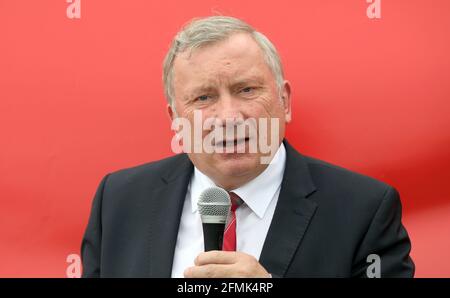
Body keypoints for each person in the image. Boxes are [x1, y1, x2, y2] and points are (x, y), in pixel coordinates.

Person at [81, 16, 414, 278]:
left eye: (246, 90)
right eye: (203, 97)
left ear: (284, 101)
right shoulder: (119, 201)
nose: (228, 116)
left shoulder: (364, 210)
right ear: (176, 118)